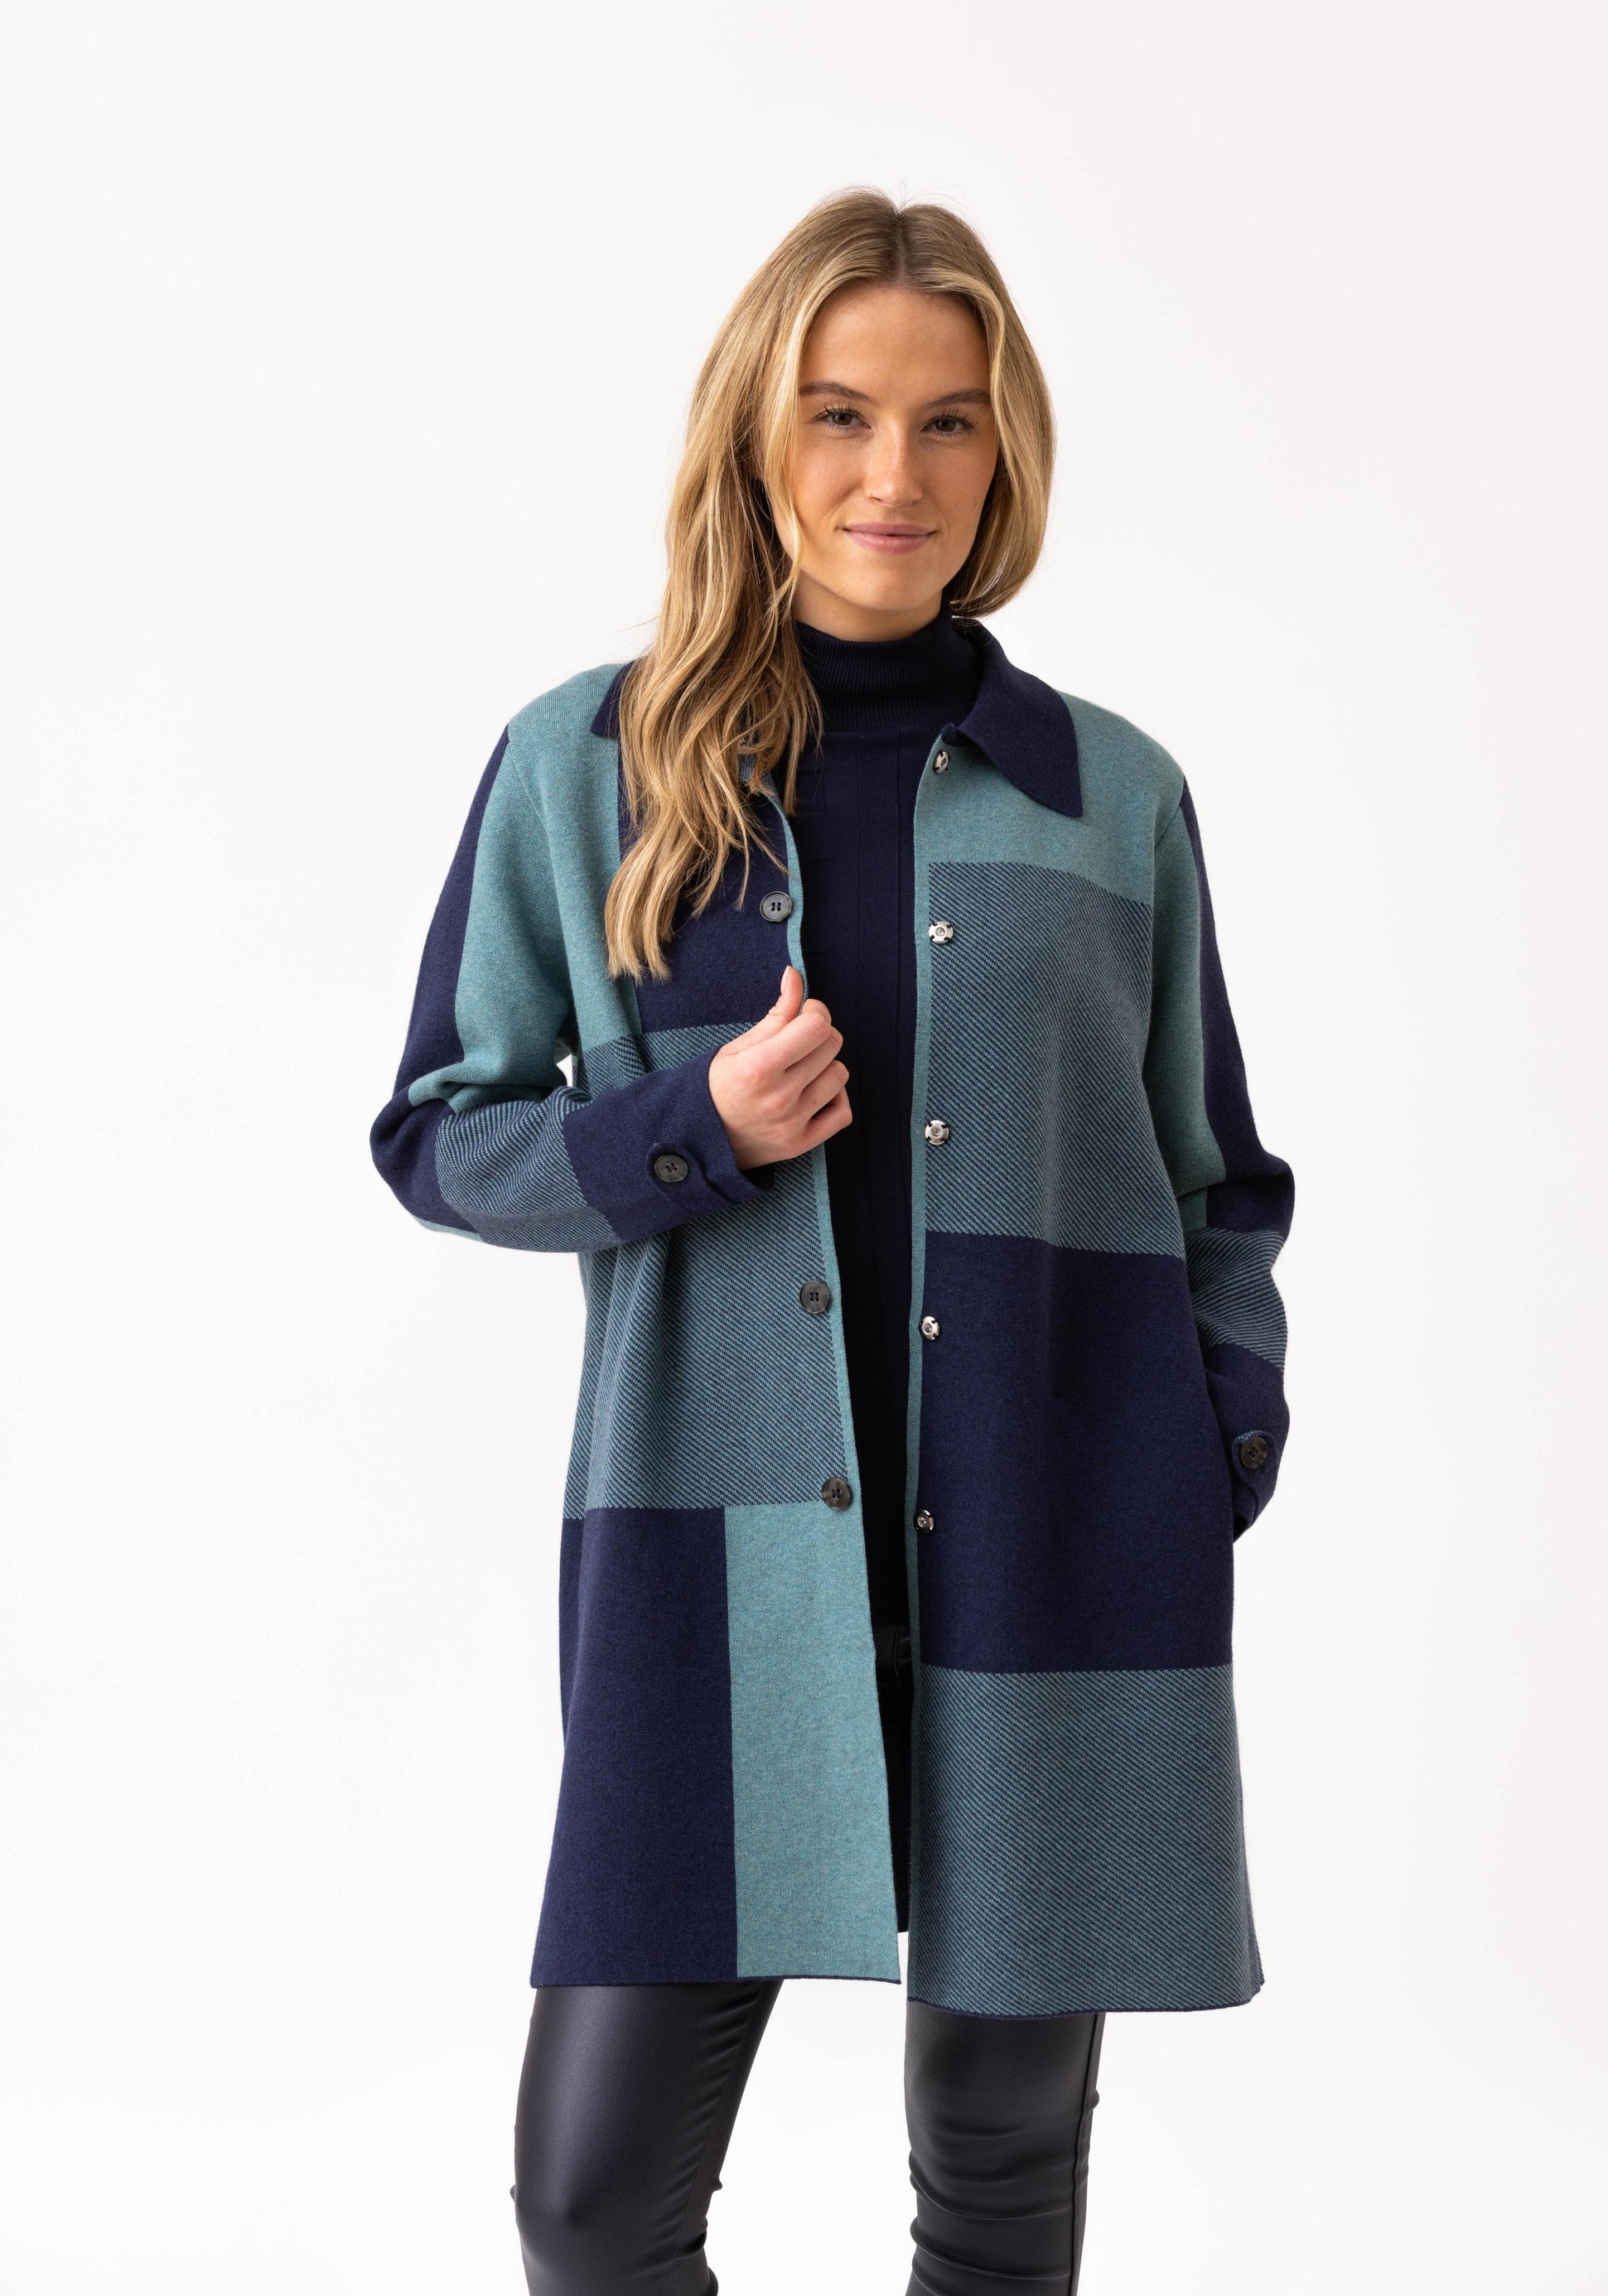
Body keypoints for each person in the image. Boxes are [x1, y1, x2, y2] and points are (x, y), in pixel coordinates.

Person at [370, 189, 1294, 2296]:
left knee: (999, 2172)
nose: (898, 473)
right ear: (754, 436)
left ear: (1005, 450)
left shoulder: (1109, 793)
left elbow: (1214, 1180)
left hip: (1049, 1544)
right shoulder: (589, 766)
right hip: (711, 1563)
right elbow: (438, 1132)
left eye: (950, 420)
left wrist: (1213, 1445)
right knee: (592, 2202)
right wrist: (685, 1130)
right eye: (841, 413)